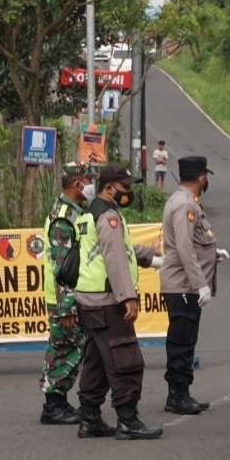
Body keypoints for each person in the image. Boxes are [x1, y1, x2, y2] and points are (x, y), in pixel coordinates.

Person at [74, 165, 163, 439]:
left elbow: (121, 250)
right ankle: (128, 420)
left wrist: (150, 256)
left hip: (88, 300)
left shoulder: (91, 212)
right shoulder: (109, 216)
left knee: (97, 361)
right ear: (110, 187)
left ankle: (89, 418)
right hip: (107, 300)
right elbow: (114, 259)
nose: (129, 192)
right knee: (125, 359)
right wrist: (128, 297)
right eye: (125, 187)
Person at [160, 157, 228, 415]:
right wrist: (200, 284)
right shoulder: (185, 205)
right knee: (181, 342)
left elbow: (195, 244)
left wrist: (213, 254)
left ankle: (181, 392)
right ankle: (177, 395)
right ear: (201, 178)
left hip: (183, 285)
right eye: (206, 177)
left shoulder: (184, 201)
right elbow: (184, 246)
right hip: (183, 286)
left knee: (185, 340)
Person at [39, 163, 93, 425]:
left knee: (73, 347)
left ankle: (59, 401)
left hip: (71, 295)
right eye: (88, 180)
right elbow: (62, 267)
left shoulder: (75, 211)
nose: (91, 185)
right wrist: (66, 308)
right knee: (64, 348)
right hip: (64, 298)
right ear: (77, 184)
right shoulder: (64, 217)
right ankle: (53, 405)